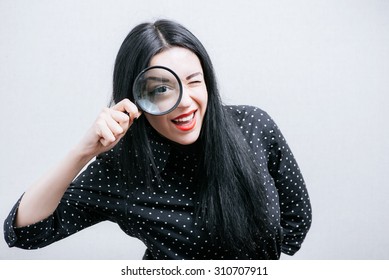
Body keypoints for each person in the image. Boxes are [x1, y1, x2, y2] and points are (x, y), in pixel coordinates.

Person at [3, 19, 312, 260]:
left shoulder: (253, 125)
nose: (185, 102)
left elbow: (296, 219)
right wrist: (82, 152)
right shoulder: (124, 169)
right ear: (138, 97)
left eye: (194, 81)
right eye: (162, 89)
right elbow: (26, 232)